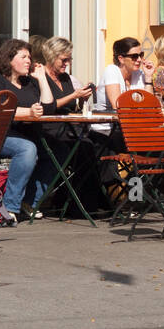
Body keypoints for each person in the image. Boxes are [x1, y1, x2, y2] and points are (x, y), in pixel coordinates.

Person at [0, 38, 57, 223]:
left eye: (29, 57)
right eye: (23, 56)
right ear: (8, 59)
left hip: (24, 134)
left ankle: (29, 201)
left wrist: (42, 79)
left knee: (59, 150)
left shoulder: (28, 82)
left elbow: (49, 107)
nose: (28, 60)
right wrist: (28, 111)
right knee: (27, 149)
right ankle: (9, 207)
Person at [38, 36, 108, 216]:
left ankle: (89, 201)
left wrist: (82, 98)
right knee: (85, 148)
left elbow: (71, 108)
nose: (67, 64)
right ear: (52, 56)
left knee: (101, 142)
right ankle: (80, 205)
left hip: (70, 127)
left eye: (69, 59)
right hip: (50, 129)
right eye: (64, 60)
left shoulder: (66, 79)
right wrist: (73, 96)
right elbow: (48, 107)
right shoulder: (41, 78)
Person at [89, 37, 150, 188]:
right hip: (105, 132)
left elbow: (150, 106)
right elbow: (119, 105)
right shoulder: (112, 71)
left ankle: (139, 197)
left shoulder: (139, 75)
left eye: (141, 55)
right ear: (121, 58)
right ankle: (128, 197)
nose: (139, 60)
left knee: (159, 147)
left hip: (128, 131)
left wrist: (148, 78)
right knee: (147, 148)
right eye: (134, 56)